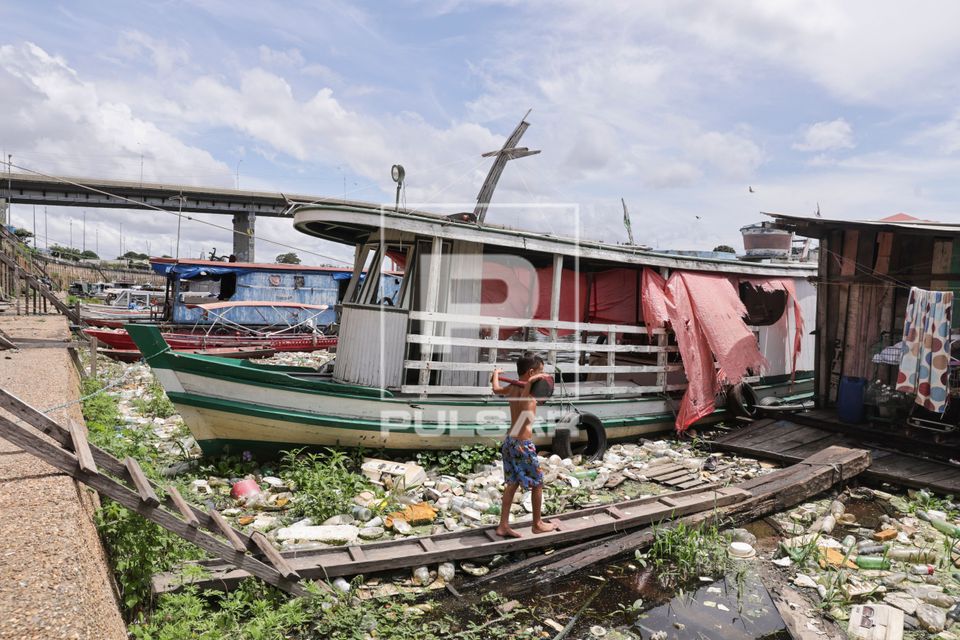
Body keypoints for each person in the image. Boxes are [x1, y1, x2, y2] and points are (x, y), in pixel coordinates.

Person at [491, 352, 557, 537]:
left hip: (509, 442)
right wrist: (532, 382)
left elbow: (496, 389)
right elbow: (524, 399)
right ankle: (537, 524)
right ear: (531, 373)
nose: (543, 375)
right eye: (541, 372)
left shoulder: (513, 386)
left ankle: (503, 526)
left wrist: (495, 374)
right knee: (538, 483)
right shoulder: (526, 392)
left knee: (512, 483)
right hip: (522, 444)